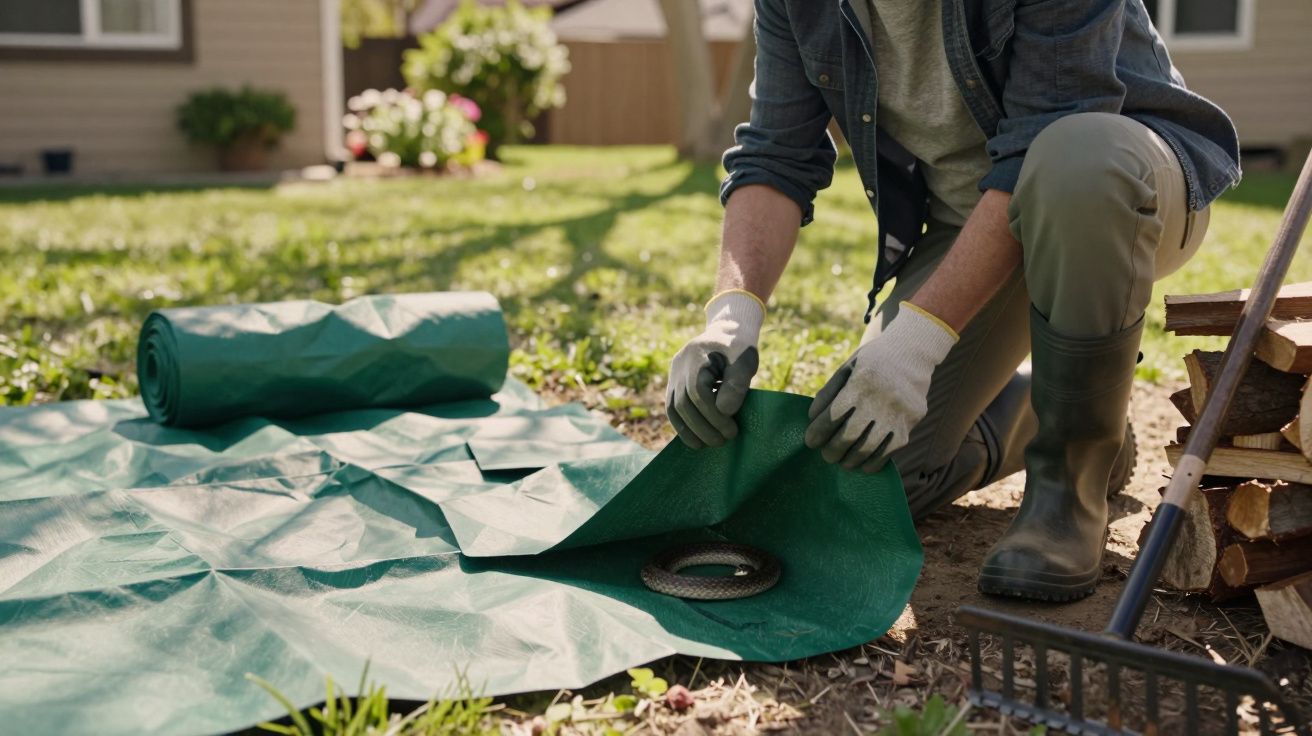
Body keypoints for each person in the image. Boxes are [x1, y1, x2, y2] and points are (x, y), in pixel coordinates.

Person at [665, 0, 1240, 602]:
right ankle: (1041, 410)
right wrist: (733, 314)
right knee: (862, 478)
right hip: (971, 221)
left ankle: (1071, 486)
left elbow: (1048, 136)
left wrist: (916, 343)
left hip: (1117, 188)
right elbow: (775, 155)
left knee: (1076, 159)